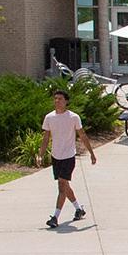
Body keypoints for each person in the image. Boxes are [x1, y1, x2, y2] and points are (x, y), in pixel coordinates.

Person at [39, 89, 96, 228]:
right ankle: (79, 208)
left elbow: (82, 135)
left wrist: (92, 153)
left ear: (66, 101)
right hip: (55, 156)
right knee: (64, 185)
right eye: (55, 98)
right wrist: (40, 154)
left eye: (60, 99)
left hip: (69, 156)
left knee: (61, 185)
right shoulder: (49, 117)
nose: (57, 101)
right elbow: (46, 138)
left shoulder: (73, 117)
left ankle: (55, 217)